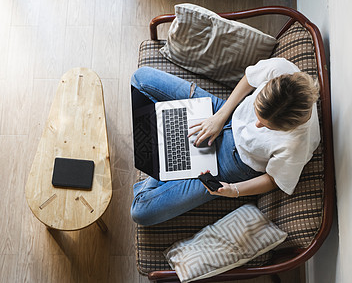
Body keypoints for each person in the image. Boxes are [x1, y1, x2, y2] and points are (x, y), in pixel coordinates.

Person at [130, 57, 320, 226]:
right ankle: (171, 156)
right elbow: (249, 79)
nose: (256, 124)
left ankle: (167, 161)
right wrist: (220, 117)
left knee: (141, 212)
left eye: (266, 126)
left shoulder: (297, 145)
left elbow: (273, 180)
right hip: (222, 113)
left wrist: (234, 190)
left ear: (287, 128)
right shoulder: (281, 70)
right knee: (140, 78)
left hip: (231, 162)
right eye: (257, 111)